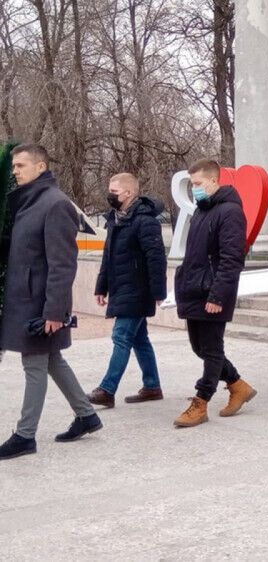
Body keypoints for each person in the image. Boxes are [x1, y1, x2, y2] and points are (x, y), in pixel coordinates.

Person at [0, 144, 102, 460]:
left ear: (41, 167)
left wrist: (55, 311)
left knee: (34, 364)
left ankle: (24, 435)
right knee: (52, 359)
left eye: (20, 165)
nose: (14, 171)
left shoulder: (55, 205)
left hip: (39, 303)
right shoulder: (29, 202)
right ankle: (87, 416)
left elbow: (63, 263)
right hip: (26, 297)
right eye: (14, 166)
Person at [173, 159, 255, 427]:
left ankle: (201, 402)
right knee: (200, 348)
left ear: (213, 181)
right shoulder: (202, 210)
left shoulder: (230, 211)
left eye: (197, 184)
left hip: (213, 291)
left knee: (211, 349)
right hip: (195, 288)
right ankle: (238, 385)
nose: (194, 189)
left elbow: (232, 259)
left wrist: (217, 296)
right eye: (191, 184)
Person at [87, 173, 167, 408]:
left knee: (121, 337)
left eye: (114, 191)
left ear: (129, 193)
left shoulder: (145, 221)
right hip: (122, 288)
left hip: (138, 290)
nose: (110, 195)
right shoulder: (115, 218)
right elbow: (108, 255)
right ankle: (152, 387)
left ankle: (107, 389)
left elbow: (156, 258)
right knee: (139, 340)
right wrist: (101, 286)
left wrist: (158, 292)